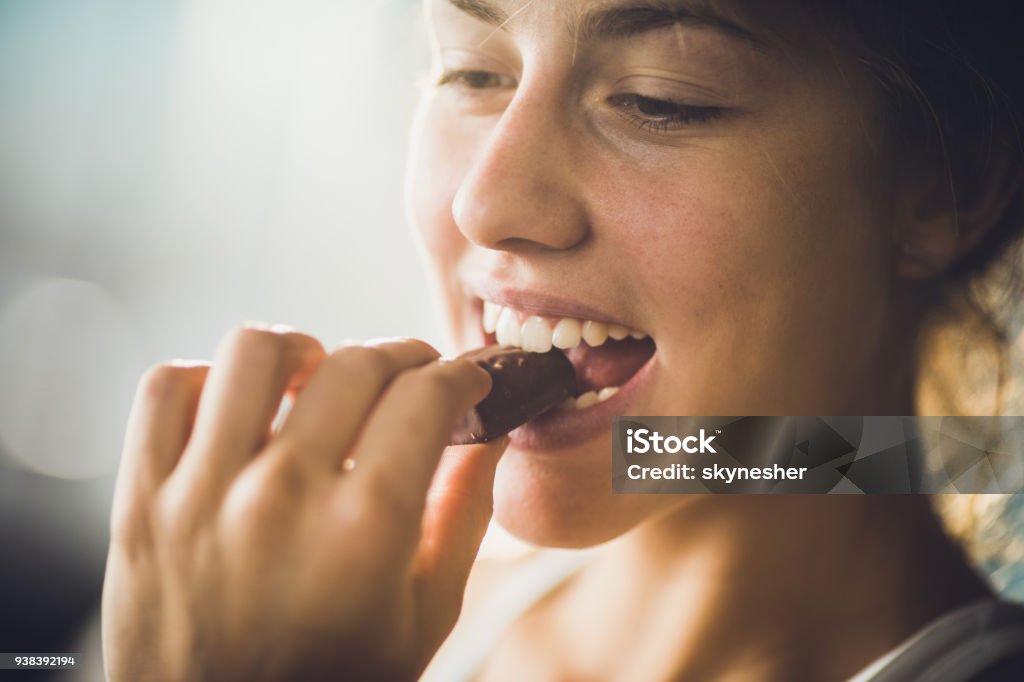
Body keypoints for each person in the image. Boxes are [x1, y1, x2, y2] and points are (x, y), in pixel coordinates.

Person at [101, 0, 1024, 680]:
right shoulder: (304, 618)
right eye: (473, 71)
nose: (486, 203)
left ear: (946, 183)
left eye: (662, 100)